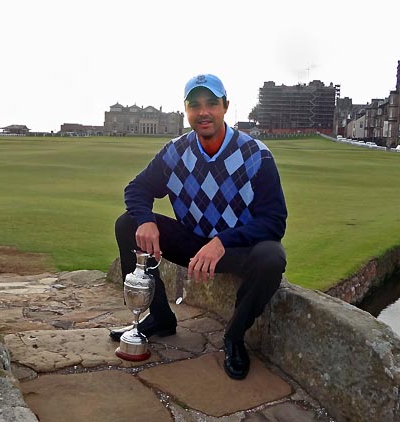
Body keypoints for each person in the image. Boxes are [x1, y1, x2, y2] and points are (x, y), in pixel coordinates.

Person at [110, 74, 288, 380]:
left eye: (211, 104)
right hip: (192, 244)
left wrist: (222, 241)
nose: (203, 111)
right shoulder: (175, 152)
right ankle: (161, 318)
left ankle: (234, 336)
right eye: (195, 105)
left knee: (272, 257)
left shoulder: (256, 155)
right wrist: (147, 219)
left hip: (234, 249)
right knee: (128, 223)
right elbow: (136, 189)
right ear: (186, 110)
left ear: (225, 107)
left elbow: (274, 221)